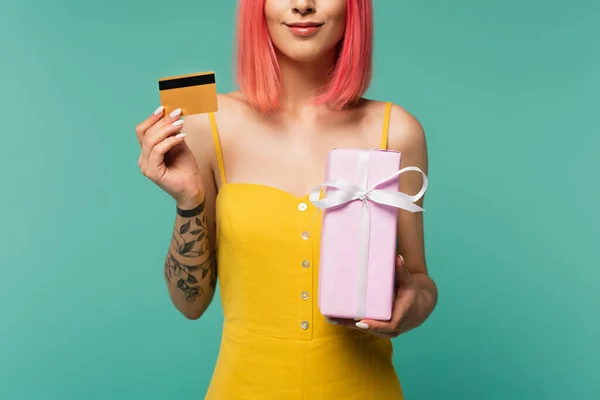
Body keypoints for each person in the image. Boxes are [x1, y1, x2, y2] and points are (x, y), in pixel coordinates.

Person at [134, 0, 438, 398]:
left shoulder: (396, 130)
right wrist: (188, 200)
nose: (302, 5)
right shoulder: (206, 122)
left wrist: (410, 306)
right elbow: (189, 304)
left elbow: (420, 279)